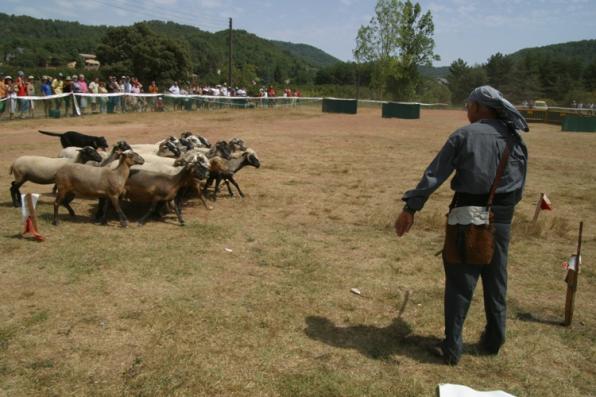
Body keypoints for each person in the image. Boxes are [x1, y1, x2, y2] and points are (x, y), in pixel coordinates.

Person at [394, 85, 529, 366]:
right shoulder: (515, 139)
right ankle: (494, 340)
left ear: (480, 108)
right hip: (502, 220)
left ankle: (451, 348)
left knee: (459, 284)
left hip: (467, 217)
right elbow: (518, 188)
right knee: (496, 282)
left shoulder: (464, 135)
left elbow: (434, 175)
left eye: (469, 105)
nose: (466, 110)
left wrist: (410, 208)